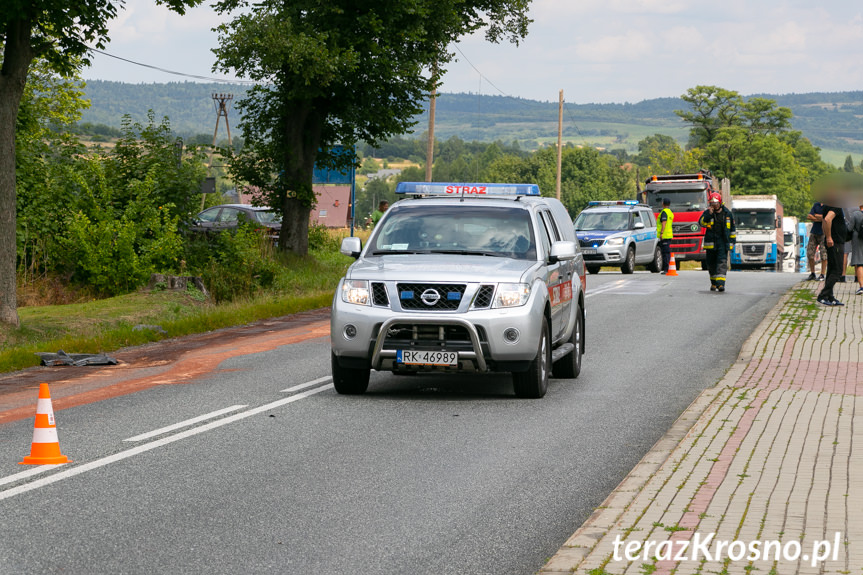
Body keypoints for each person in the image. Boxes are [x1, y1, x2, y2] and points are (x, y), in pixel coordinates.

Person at [698, 192, 736, 292]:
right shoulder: (707, 213)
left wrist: (731, 243)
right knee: (711, 264)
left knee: (722, 263)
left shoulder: (727, 214)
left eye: (715, 204)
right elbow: (701, 223)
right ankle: (714, 283)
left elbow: (732, 229)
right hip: (711, 243)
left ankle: (721, 284)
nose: (714, 206)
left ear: (720, 203)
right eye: (712, 204)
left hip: (723, 243)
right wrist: (708, 215)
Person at [817, 195, 848, 306]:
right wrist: (829, 237)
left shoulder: (827, 205)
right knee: (838, 271)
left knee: (831, 269)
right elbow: (827, 219)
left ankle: (830, 296)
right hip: (836, 242)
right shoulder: (836, 205)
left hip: (833, 241)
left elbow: (823, 222)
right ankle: (823, 295)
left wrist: (826, 236)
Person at [806, 201, 827, 281]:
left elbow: (826, 218)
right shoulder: (816, 204)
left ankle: (822, 274)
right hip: (814, 232)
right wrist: (820, 218)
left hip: (823, 232)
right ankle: (812, 273)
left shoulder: (828, 205)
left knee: (823, 254)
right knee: (810, 253)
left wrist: (816, 216)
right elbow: (809, 216)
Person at [849, 204, 863, 294]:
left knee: (860, 262)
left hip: (858, 239)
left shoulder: (855, 214)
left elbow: (850, 228)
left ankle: (862, 287)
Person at [657, 198, 673, 274]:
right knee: (667, 252)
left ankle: (666, 269)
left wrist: (661, 233)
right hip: (669, 235)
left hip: (665, 235)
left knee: (665, 253)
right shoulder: (670, 212)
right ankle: (667, 268)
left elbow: (664, 223)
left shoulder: (664, 212)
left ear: (663, 203)